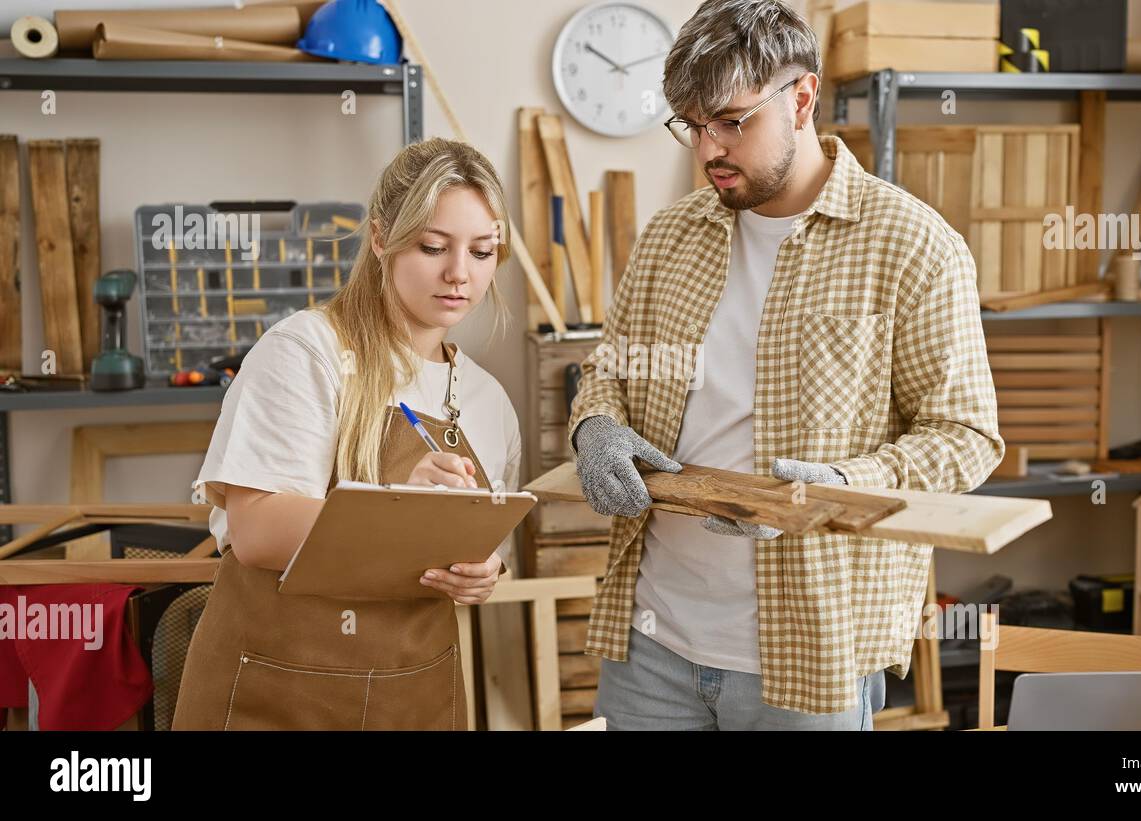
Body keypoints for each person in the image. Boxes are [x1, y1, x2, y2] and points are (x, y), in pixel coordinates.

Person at [569, 0, 1003, 730]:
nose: (709, 149)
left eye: (733, 122)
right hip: (651, 644)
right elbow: (609, 367)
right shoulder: (671, 235)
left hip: (809, 657)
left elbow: (966, 435)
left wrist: (842, 487)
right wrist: (596, 428)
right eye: (692, 125)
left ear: (802, 98)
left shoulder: (912, 245)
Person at [172, 138, 522, 730]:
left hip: (414, 696)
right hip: (277, 691)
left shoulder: (488, 400)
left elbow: (484, 548)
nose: (459, 273)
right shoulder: (307, 352)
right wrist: (404, 511)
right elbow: (256, 530)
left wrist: (483, 571)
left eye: (483, 251)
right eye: (433, 246)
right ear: (382, 239)